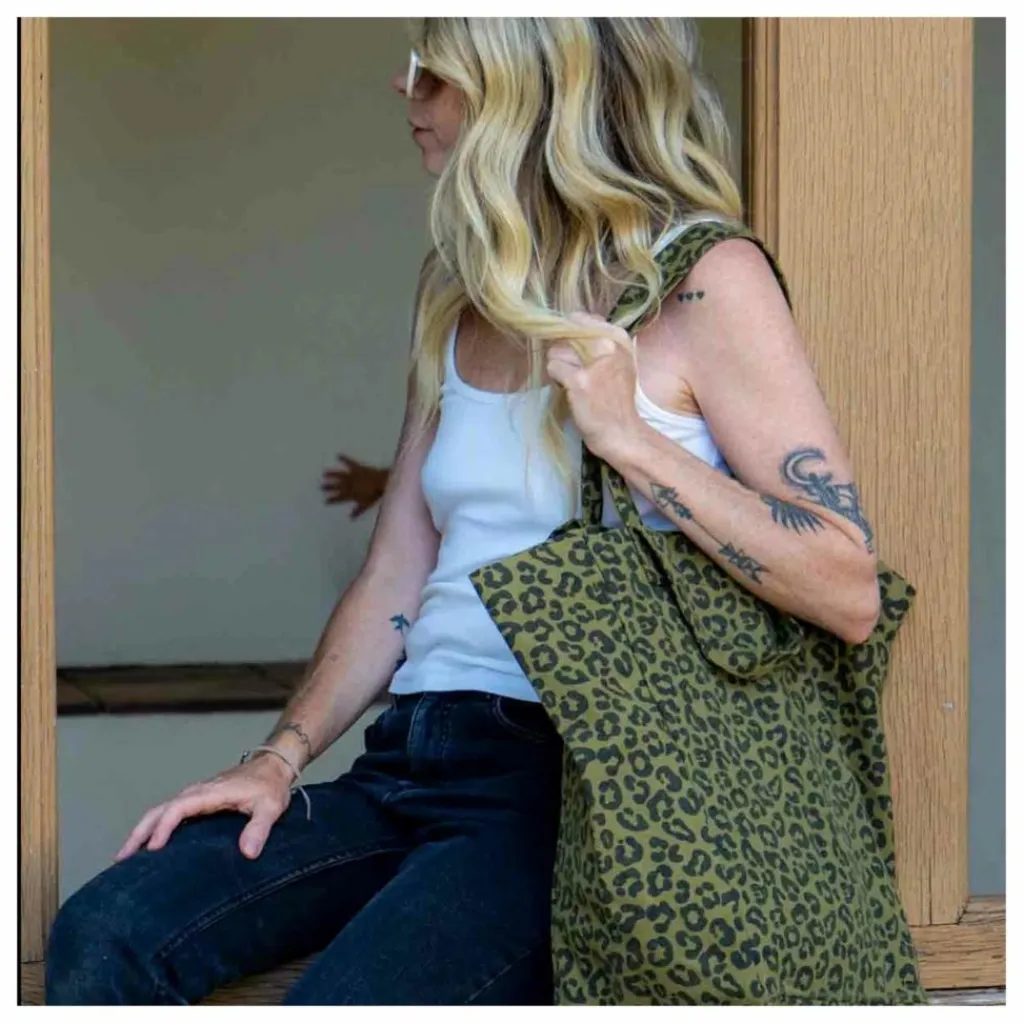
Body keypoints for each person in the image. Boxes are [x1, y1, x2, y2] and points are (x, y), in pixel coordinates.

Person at [45, 18, 881, 1006]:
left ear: (533, 85)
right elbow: (396, 573)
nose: (404, 89)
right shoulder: (457, 287)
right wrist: (276, 758)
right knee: (107, 931)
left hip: (574, 792)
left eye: (435, 68)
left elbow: (846, 586)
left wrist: (632, 442)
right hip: (410, 757)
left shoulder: (701, 279)